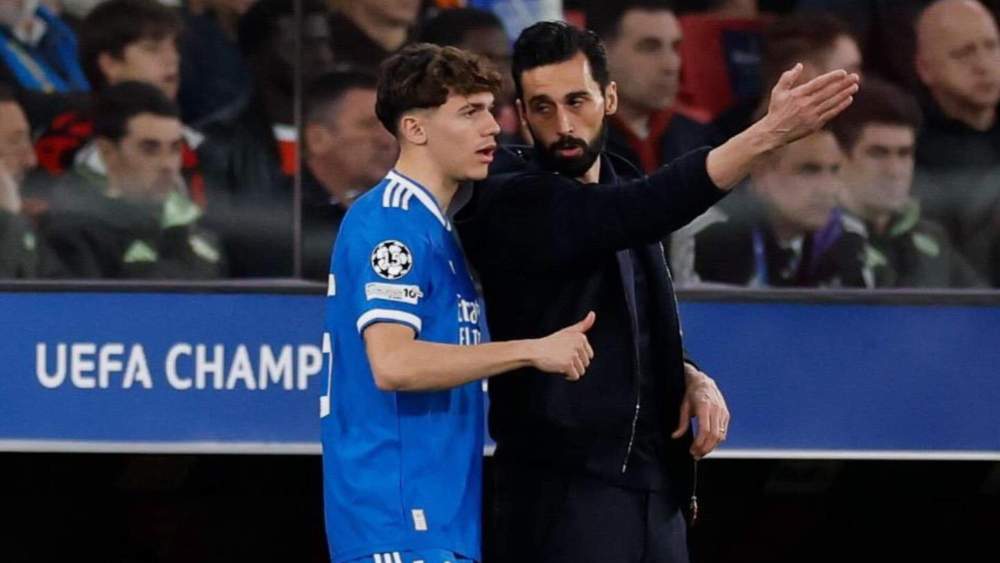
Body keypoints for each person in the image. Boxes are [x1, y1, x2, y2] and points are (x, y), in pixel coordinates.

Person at [455, 21, 858, 562]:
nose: (563, 125)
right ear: (522, 116)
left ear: (610, 98)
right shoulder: (512, 199)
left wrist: (686, 373)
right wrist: (766, 134)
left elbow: (635, 313)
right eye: (543, 108)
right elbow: (644, 208)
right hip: (562, 493)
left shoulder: (621, 184)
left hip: (656, 487)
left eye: (577, 101)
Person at [321, 43, 595, 563]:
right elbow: (394, 363)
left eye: (491, 110)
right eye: (470, 112)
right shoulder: (391, 224)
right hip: (398, 519)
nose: (492, 127)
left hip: (440, 521)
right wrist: (531, 350)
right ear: (415, 128)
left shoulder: (439, 230)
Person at [39, 81, 225, 279]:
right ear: (108, 152)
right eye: (150, 150)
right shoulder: (73, 233)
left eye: (175, 149)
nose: (168, 165)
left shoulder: (198, 227)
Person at [832, 76, 984, 288]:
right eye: (878, 153)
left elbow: (983, 305)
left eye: (904, 153)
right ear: (840, 158)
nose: (894, 170)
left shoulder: (932, 240)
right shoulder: (815, 242)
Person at [693, 129, 870, 288]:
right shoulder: (709, 233)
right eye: (809, 170)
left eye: (834, 170)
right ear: (760, 174)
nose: (828, 189)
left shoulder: (847, 235)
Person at [912, 0, 1000, 284]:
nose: (983, 65)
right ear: (925, 68)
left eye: (991, 46)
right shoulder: (909, 149)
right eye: (964, 53)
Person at [588, 0, 710, 175]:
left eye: (675, 47)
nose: (671, 65)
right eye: (650, 47)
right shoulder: (574, 145)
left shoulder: (698, 137)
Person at [300, 69, 396, 280]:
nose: (387, 140)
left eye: (389, 127)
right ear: (317, 139)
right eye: (369, 125)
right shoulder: (284, 217)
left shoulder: (408, 212)